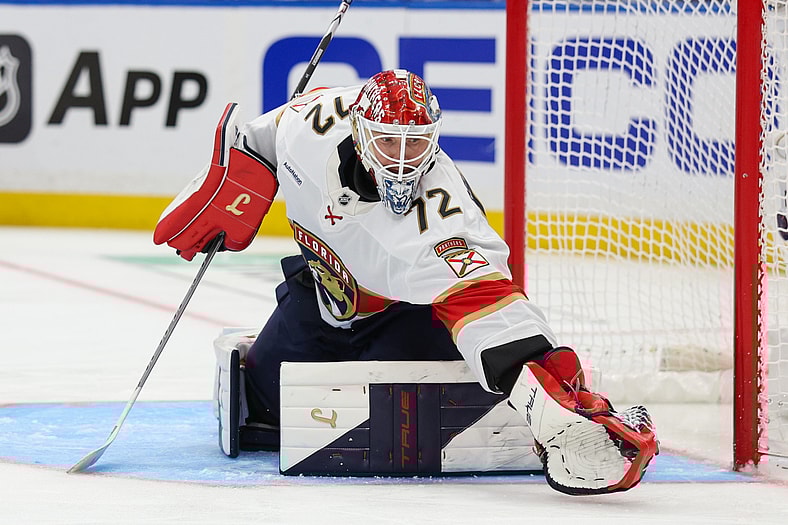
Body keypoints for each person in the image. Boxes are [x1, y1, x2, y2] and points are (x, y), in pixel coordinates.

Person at [154, 69, 658, 495]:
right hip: (324, 293)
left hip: (406, 314)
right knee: (264, 400)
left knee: (421, 410)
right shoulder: (310, 124)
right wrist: (234, 180)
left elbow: (486, 300)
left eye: (415, 143)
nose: (401, 158)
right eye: (388, 141)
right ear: (357, 129)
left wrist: (548, 398)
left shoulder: (445, 216)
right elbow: (256, 138)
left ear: (433, 138)